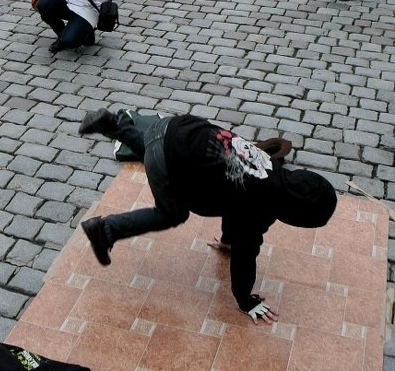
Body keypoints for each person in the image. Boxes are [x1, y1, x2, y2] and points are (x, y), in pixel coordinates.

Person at [78, 108, 336, 323]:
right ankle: (106, 229)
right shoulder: (260, 203)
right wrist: (245, 300)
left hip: (170, 129)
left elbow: (236, 202)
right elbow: (246, 252)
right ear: (297, 216)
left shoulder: (272, 169)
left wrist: (228, 240)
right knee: (172, 213)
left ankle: (113, 126)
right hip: (168, 155)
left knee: (163, 154)